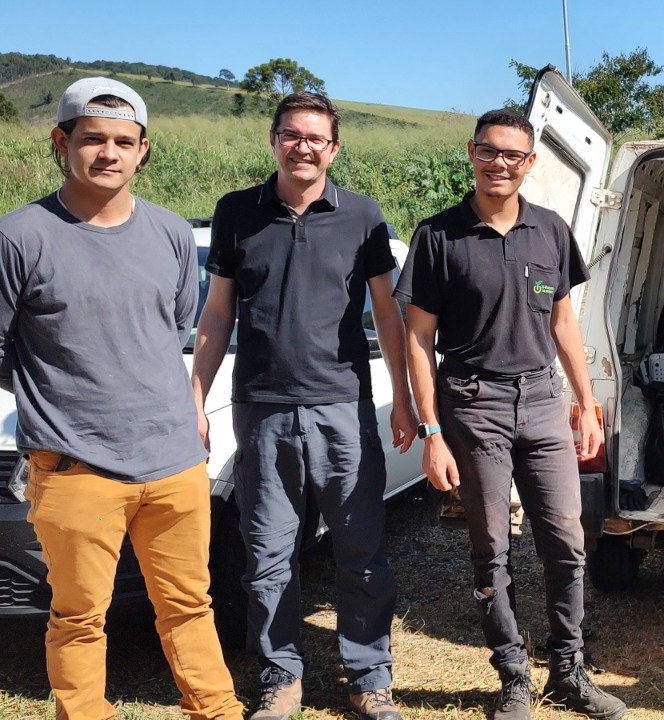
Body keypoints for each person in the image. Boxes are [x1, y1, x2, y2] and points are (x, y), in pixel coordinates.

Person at [0, 77, 245, 720]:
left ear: (143, 151)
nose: (108, 153)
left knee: (189, 604)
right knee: (80, 615)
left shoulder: (172, 235)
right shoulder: (13, 240)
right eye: (93, 139)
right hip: (74, 469)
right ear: (62, 143)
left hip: (174, 463)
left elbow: (171, 330)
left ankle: (215, 709)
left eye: (124, 141)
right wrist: (63, 396)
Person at [395, 108, 627, 720]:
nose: (500, 163)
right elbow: (419, 339)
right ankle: (513, 677)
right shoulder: (438, 236)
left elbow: (563, 320)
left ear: (530, 163)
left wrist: (587, 401)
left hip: (545, 400)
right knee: (491, 547)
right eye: (489, 151)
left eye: (513, 155)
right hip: (474, 404)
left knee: (567, 541)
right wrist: (432, 431)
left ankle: (569, 670)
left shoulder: (550, 230)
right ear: (471, 152)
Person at [190, 92, 414, 720]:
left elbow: (388, 313)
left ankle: (369, 677)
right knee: (267, 556)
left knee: (360, 551)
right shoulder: (237, 214)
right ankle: (280, 677)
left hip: (343, 407)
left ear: (334, 148)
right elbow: (216, 314)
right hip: (261, 410)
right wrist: (194, 400)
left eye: (316, 138)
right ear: (274, 141)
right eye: (292, 135)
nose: (304, 146)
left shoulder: (364, 217)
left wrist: (404, 402)